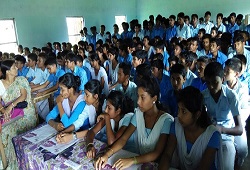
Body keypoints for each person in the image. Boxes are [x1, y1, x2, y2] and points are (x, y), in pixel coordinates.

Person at [95, 76, 174, 170]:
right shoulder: (138, 114)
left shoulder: (166, 120)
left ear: (154, 98)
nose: (138, 102)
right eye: (137, 96)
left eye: (142, 98)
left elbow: (156, 153)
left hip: (156, 166)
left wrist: (132, 160)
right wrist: (107, 154)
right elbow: (123, 139)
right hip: (140, 163)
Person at [159, 86, 223, 170]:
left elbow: (203, 167)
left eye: (184, 111)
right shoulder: (177, 125)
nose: (179, 115)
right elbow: (167, 154)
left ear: (197, 114)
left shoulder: (212, 135)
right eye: (178, 109)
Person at [202, 62, 243, 170]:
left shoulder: (230, 96)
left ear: (223, 79)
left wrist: (221, 129)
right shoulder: (204, 95)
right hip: (209, 136)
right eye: (207, 82)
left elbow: (239, 129)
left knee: (225, 166)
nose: (211, 86)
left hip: (226, 138)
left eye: (215, 82)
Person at [0, 60, 37, 169]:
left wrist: (10, 107)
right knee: (3, 131)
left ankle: (21, 162)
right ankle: (9, 161)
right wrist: (3, 111)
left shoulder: (20, 80)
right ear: (7, 72)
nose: (17, 68)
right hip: (11, 114)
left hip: (24, 112)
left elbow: (23, 96)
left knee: (9, 130)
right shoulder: (0, 84)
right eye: (13, 67)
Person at [86, 90, 135, 158]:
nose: (106, 110)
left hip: (130, 154)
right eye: (106, 107)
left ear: (118, 111)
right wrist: (90, 145)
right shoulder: (109, 115)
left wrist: (107, 119)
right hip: (116, 153)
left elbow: (112, 143)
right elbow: (92, 131)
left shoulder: (128, 118)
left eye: (109, 108)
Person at [224, 58, 249, 168]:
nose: (224, 72)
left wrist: (235, 121)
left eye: (228, 71)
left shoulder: (242, 89)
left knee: (243, 150)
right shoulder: (221, 85)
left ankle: (238, 165)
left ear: (237, 74)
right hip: (223, 122)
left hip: (237, 124)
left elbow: (245, 110)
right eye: (224, 69)